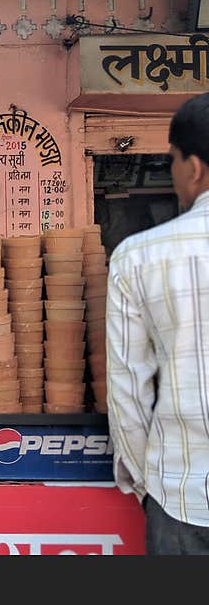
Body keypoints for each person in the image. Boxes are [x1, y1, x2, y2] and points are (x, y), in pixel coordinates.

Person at [106, 92, 209, 555]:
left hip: (180, 493)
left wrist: (150, 485)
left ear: (195, 168)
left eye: (172, 161)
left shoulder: (139, 257)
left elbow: (128, 387)